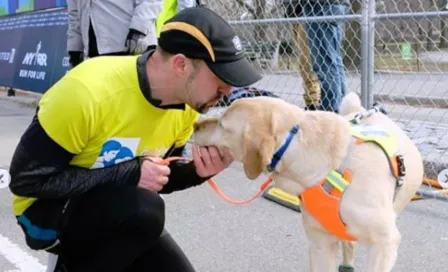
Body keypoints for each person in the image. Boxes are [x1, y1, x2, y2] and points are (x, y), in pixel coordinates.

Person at [8, 6, 262, 272]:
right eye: (221, 77)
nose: (228, 89)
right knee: (145, 211)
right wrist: (128, 173)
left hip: (116, 208)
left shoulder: (187, 106)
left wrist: (195, 172)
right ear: (181, 64)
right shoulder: (86, 92)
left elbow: (154, 178)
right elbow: (26, 182)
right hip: (44, 214)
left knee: (149, 223)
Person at [67, 0, 163, 68]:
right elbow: (75, 14)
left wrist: (137, 30)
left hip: (131, 47)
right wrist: (75, 49)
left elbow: (151, 2)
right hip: (95, 53)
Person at [301, 0, 350, 112]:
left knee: (324, 64)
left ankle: (329, 113)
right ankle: (340, 108)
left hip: (321, 6)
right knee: (333, 60)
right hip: (330, 6)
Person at [283, 0, 321, 111]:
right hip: (295, 12)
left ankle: (314, 101)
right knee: (303, 63)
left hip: (308, 11)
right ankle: (311, 100)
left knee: (307, 61)